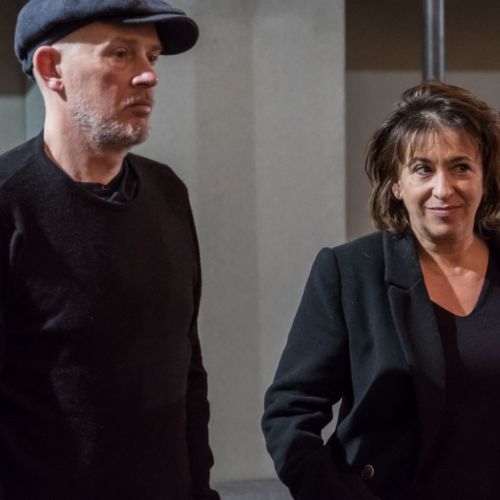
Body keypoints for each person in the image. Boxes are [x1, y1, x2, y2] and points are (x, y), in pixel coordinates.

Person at [0, 1, 219, 499]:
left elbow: (188, 369)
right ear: (51, 69)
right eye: (121, 54)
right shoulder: (9, 205)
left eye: (152, 57)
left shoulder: (167, 193)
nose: (148, 76)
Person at [262, 81, 500, 500]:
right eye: (423, 169)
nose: (443, 188)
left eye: (461, 167)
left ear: (485, 178)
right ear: (396, 184)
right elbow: (290, 412)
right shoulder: (350, 271)